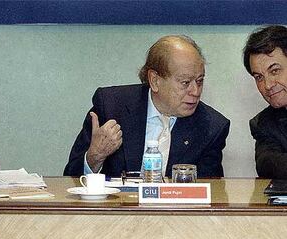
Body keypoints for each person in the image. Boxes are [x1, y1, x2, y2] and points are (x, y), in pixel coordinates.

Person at [64, 35, 230, 177]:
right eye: (185, 82)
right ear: (155, 80)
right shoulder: (111, 107)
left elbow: (211, 193)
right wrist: (95, 157)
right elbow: (69, 179)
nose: (195, 91)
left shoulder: (211, 127)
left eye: (199, 81)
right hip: (116, 212)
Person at [244, 25, 287, 179]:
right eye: (259, 77)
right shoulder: (264, 124)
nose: (267, 85)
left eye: (274, 71)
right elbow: (268, 166)